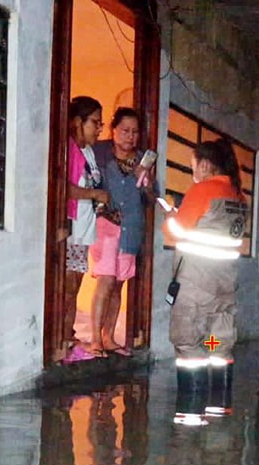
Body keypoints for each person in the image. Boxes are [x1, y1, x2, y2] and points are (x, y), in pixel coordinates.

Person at [162, 139, 246, 393]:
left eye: (194, 166)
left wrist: (170, 216)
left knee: (189, 346)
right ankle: (219, 409)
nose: (194, 172)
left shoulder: (202, 190)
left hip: (196, 289)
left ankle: (190, 413)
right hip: (224, 289)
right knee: (217, 345)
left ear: (206, 165)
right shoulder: (238, 196)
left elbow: (176, 232)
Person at [88, 107, 155, 357]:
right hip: (105, 227)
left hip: (131, 229)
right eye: (125, 130)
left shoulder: (142, 161)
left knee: (118, 284)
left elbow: (151, 198)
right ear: (113, 129)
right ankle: (95, 338)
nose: (130, 136)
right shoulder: (99, 153)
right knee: (105, 280)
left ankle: (108, 337)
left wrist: (146, 181)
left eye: (135, 132)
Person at [64, 96, 108, 356]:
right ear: (77, 122)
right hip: (71, 229)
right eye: (95, 122)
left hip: (85, 229)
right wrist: (94, 195)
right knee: (67, 287)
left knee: (76, 286)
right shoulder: (67, 149)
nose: (99, 128)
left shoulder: (89, 152)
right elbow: (64, 188)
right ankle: (62, 338)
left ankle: (68, 336)